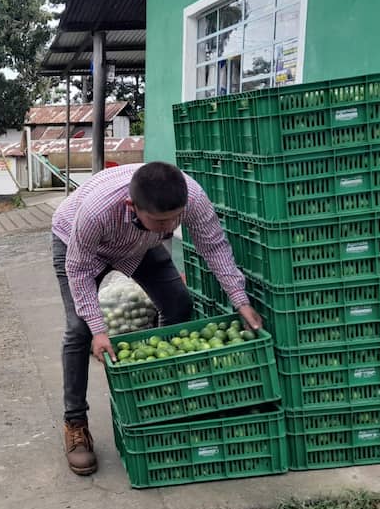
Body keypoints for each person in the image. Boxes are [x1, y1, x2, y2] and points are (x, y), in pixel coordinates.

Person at [51, 161, 262, 476]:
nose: (171, 226)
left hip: (139, 245)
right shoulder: (97, 212)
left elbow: (213, 245)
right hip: (77, 243)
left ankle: (165, 396)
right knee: (79, 330)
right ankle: (75, 423)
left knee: (178, 304)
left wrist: (240, 300)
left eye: (176, 218)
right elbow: (78, 270)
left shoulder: (191, 196)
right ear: (131, 206)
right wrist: (99, 330)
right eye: (162, 221)